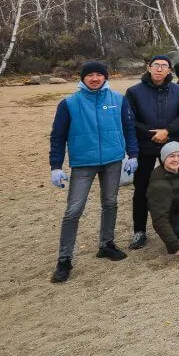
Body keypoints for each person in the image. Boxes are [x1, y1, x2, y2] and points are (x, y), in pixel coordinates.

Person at [48, 60, 139, 283]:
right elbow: (58, 136)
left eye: (99, 74)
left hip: (112, 161)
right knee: (73, 210)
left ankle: (106, 244)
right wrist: (56, 166)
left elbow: (129, 127)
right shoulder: (69, 104)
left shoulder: (118, 99)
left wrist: (133, 154)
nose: (95, 78)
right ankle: (64, 259)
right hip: (83, 163)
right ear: (82, 78)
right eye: (90, 75)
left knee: (110, 202)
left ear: (106, 77)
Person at [125, 54, 179, 250]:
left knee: (178, 185)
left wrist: (167, 131)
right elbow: (130, 119)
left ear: (169, 70)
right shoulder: (134, 92)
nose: (160, 69)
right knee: (142, 188)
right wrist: (151, 133)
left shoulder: (178, 91)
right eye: (156, 65)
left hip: (171, 144)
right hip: (145, 145)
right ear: (149, 67)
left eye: (164, 66)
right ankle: (139, 231)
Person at [146, 141, 179, 256]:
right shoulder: (159, 186)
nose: (176, 160)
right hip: (178, 223)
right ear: (163, 159)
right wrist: (175, 245)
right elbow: (159, 220)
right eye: (171, 156)